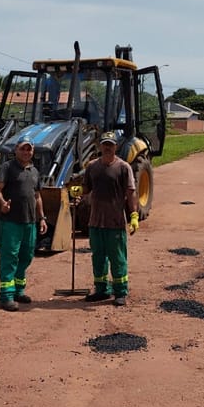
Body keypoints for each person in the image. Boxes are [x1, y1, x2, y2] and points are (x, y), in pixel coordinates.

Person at [83, 131, 139, 306]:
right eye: (105, 144)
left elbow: (131, 193)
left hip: (115, 222)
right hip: (95, 222)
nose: (107, 147)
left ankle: (120, 291)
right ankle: (101, 290)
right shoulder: (92, 166)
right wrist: (77, 193)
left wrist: (134, 215)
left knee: (117, 258)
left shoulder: (123, 167)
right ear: (100, 146)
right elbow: (86, 189)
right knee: (98, 257)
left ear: (116, 146)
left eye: (111, 144)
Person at [0, 138, 48, 311]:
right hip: (11, 222)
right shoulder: (7, 168)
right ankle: (6, 296)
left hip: (29, 222)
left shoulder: (34, 171)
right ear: (16, 150)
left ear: (32, 152)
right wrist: (2, 203)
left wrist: (42, 218)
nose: (26, 152)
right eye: (23, 149)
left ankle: (18, 290)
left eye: (29, 150)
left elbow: (37, 196)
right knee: (10, 257)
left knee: (26, 256)